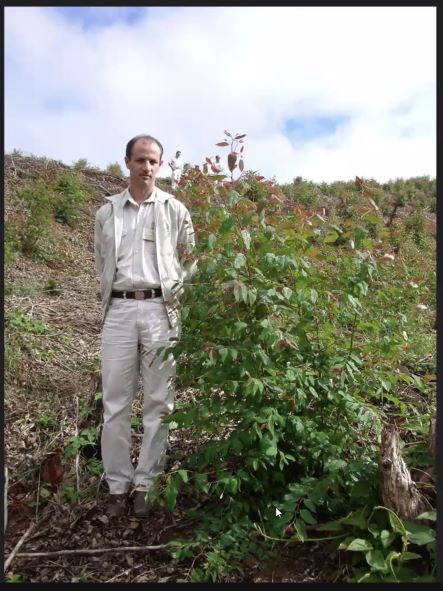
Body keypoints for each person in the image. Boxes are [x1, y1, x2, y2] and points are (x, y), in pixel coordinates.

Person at [94, 134, 197, 518]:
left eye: (154, 161)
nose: (147, 167)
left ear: (161, 164)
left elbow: (190, 260)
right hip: (119, 309)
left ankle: (147, 484)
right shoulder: (107, 213)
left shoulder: (175, 210)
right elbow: (101, 258)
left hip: (160, 309)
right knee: (115, 402)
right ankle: (117, 486)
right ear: (127, 162)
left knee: (158, 401)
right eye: (140, 160)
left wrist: (174, 296)